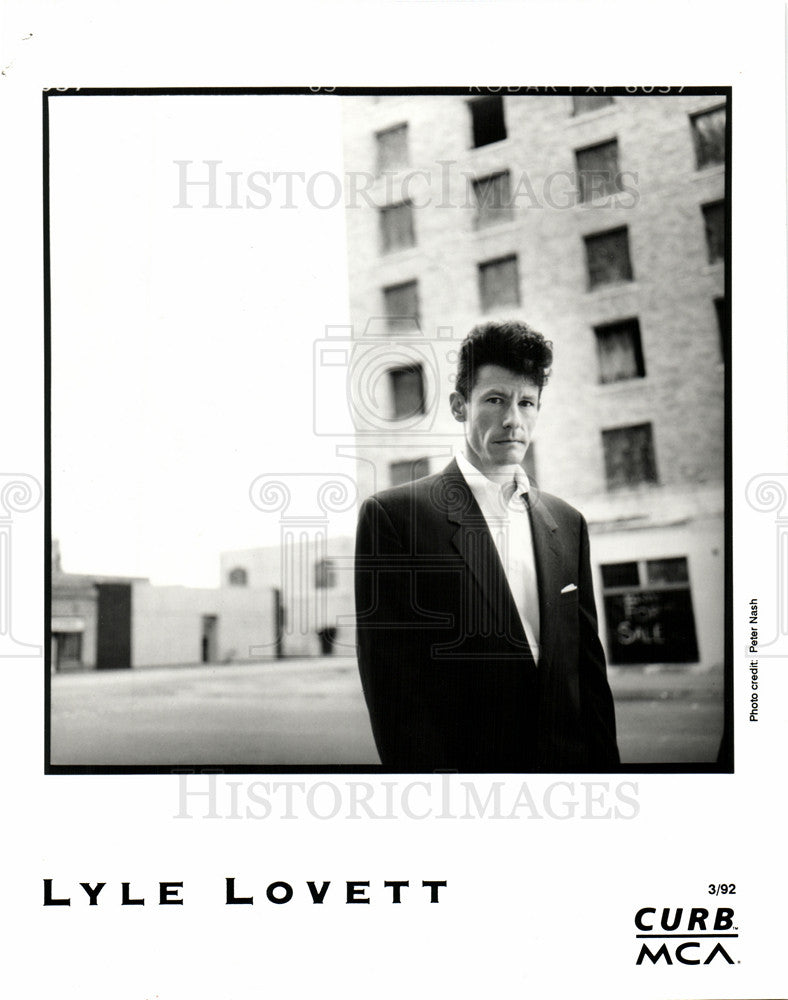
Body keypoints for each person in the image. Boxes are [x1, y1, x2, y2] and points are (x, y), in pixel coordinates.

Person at [354, 319, 619, 772]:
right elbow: (393, 692)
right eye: (495, 400)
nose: (513, 420)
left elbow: (588, 675)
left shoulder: (567, 522)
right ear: (460, 406)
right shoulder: (394, 518)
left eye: (527, 402)